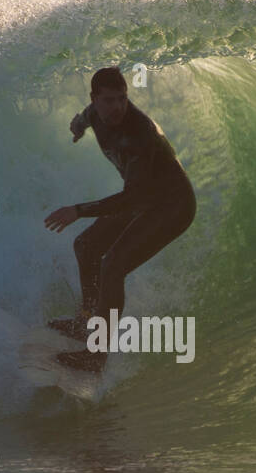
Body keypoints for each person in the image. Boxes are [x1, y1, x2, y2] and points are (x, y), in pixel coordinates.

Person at [43, 67, 197, 373]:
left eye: (122, 99)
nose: (117, 107)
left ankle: (95, 355)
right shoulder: (95, 113)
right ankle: (86, 321)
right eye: (109, 100)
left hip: (173, 206)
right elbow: (84, 118)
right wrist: (77, 127)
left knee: (112, 265)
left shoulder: (140, 135)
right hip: (144, 199)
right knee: (86, 246)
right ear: (95, 99)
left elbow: (131, 199)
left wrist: (78, 210)